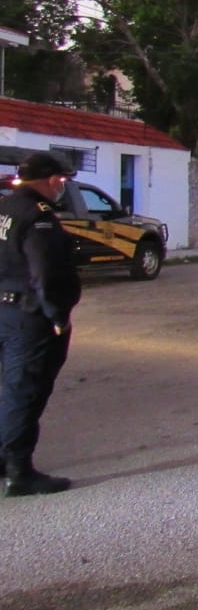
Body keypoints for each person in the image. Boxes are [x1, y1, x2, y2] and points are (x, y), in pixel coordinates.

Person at [0, 151, 82, 497]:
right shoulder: (39, 216)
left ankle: (4, 459)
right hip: (29, 316)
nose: (61, 187)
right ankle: (19, 472)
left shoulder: (5, 208)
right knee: (25, 391)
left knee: (9, 389)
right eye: (61, 181)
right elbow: (46, 273)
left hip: (4, 309)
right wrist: (57, 315)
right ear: (52, 180)